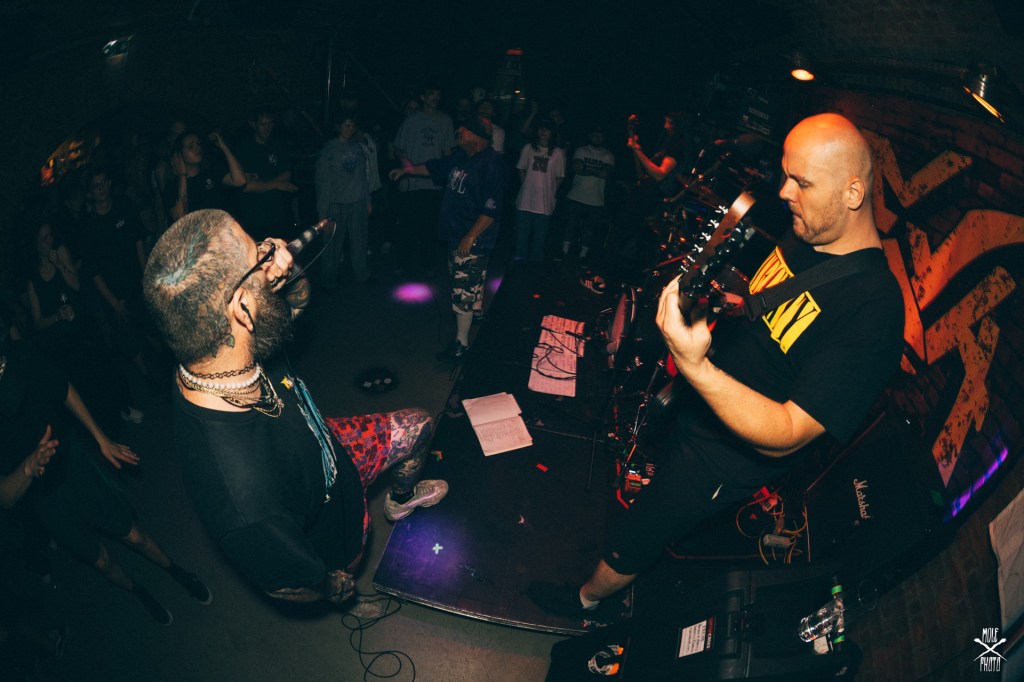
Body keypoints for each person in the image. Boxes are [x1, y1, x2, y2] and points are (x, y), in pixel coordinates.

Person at [529, 113, 906, 621]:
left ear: (853, 192)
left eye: (802, 182)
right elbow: (769, 312)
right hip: (699, 408)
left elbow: (790, 432)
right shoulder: (808, 231)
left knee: (643, 530)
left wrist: (696, 367)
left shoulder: (875, 310)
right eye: (785, 175)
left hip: (724, 459)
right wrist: (719, 304)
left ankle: (585, 602)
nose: (785, 192)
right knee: (646, 501)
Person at [142, 209, 448, 605]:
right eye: (258, 254)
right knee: (345, 578)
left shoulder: (215, 345)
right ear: (241, 309)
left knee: (420, 426)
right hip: (338, 533)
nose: (271, 253)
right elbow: (288, 586)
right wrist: (335, 588)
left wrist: (285, 271)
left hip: (329, 443)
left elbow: (297, 302)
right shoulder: (243, 499)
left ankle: (400, 501)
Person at [0, 334, 212, 626]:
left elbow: (64, 389)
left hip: (74, 467)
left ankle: (177, 571)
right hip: (45, 501)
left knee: (133, 534)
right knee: (100, 560)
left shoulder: (20, 357)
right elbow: (5, 498)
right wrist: (27, 467)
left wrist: (102, 439)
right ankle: (140, 593)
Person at [389, 116, 506, 362]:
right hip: (456, 234)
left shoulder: (491, 163)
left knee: (463, 289)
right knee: (471, 280)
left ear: (475, 135)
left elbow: (491, 210)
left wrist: (470, 237)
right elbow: (433, 167)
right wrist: (406, 170)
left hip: (473, 238)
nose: (457, 132)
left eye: (462, 130)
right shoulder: (460, 156)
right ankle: (477, 311)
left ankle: (461, 343)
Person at [391, 85, 456, 276]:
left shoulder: (445, 120)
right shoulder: (411, 120)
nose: (435, 97)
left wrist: (447, 178)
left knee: (430, 227)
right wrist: (406, 167)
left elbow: (448, 152)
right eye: (431, 94)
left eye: (437, 94)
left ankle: (428, 265)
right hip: (411, 183)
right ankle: (403, 263)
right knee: (407, 226)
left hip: (434, 184)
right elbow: (398, 148)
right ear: (423, 97)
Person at [315, 113, 372, 287]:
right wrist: (323, 210)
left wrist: (367, 200)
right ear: (338, 126)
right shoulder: (329, 149)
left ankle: (362, 274)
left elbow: (363, 176)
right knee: (331, 245)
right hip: (335, 205)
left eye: (352, 126)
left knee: (359, 242)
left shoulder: (357, 148)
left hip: (357, 202)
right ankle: (328, 280)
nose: (350, 129)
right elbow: (322, 180)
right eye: (347, 125)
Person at [234, 106, 298, 240]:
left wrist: (262, 184)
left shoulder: (277, 144)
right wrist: (276, 184)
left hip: (276, 211)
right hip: (253, 214)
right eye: (262, 124)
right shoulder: (244, 149)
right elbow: (246, 186)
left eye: (270, 124)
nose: (267, 128)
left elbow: (287, 173)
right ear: (253, 124)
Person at [557, 124, 615, 266]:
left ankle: (583, 256)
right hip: (575, 196)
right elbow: (578, 168)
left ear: (604, 138)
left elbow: (605, 173)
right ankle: (564, 251)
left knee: (589, 230)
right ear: (590, 136)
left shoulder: (608, 155)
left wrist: (587, 168)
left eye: (600, 136)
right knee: (570, 225)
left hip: (596, 200)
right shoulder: (581, 150)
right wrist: (596, 170)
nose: (597, 138)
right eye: (595, 135)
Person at [166, 130, 247, 222]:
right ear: (179, 155)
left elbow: (240, 180)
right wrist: (182, 175)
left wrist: (224, 147)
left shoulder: (211, 172)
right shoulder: (173, 186)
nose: (197, 148)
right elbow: (179, 218)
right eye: (191, 146)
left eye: (198, 144)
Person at [514, 119, 565, 262]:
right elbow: (521, 168)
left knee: (540, 238)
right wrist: (526, 185)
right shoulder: (528, 148)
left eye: (547, 129)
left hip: (544, 203)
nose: (543, 132)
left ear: (552, 132)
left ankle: (535, 266)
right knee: (521, 236)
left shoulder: (557, 153)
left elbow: (560, 176)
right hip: (525, 201)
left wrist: (551, 192)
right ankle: (519, 265)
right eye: (541, 128)